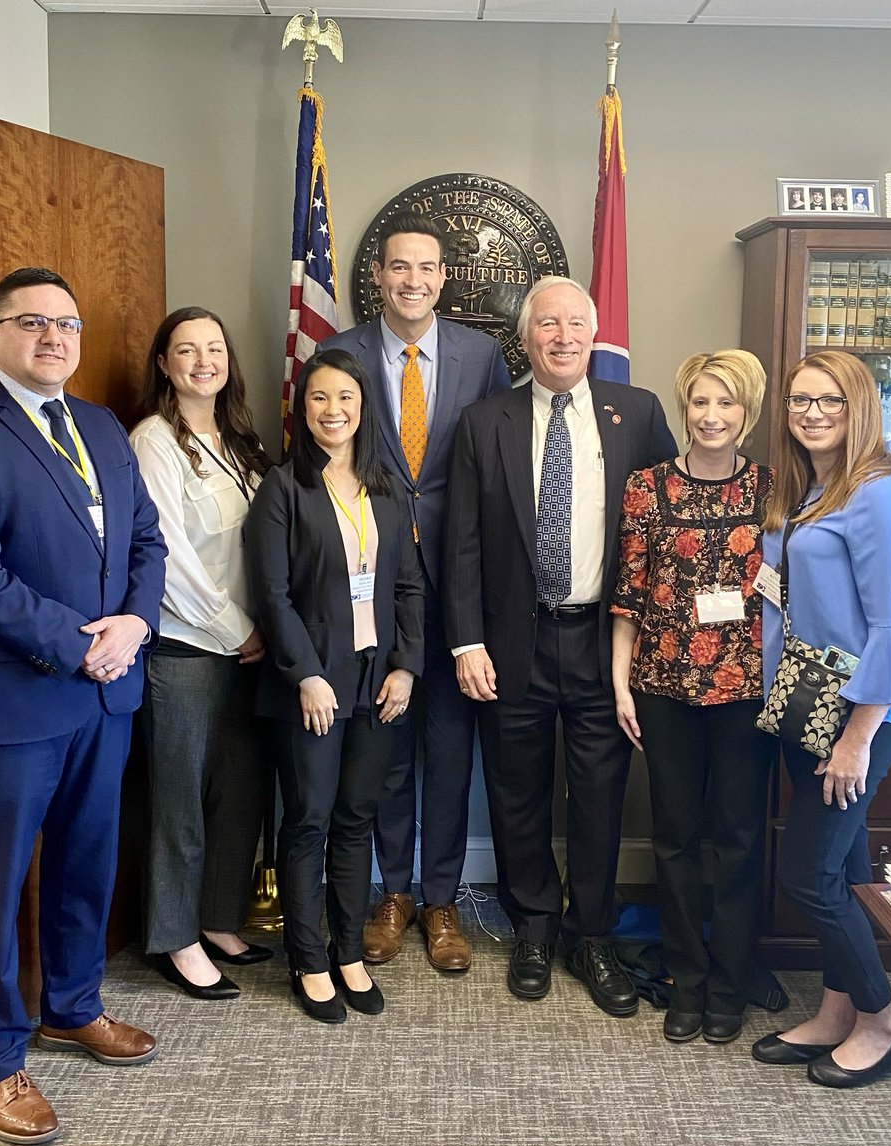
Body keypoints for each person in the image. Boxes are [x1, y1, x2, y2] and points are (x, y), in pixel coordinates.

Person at [0, 267, 167, 1145]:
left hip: (106, 696)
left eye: (67, 323)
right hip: (9, 702)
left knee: (88, 864)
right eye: (31, 323)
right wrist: (82, 642)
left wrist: (133, 621)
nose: (53, 338)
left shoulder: (100, 427)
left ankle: (73, 1006)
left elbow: (145, 540)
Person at [444, 276, 677, 1014]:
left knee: (601, 796)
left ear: (594, 332)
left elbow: (671, 529)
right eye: (549, 324)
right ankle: (535, 929)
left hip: (604, 643)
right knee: (515, 794)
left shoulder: (637, 413)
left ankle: (593, 935)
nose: (564, 336)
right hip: (514, 640)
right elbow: (462, 546)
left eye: (577, 323)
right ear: (527, 336)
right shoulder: (487, 422)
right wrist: (465, 643)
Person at [320, 212, 510, 973]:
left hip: (462, 586)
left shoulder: (482, 353)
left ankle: (441, 900)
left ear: (443, 278)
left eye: (426, 268)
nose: (412, 280)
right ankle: (391, 894)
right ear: (379, 276)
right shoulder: (342, 353)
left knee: (449, 747)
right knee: (388, 746)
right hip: (375, 583)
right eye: (398, 267)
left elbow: (495, 464)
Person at [751, 350, 891, 1088]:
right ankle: (837, 1012)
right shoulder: (813, 487)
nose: (812, 412)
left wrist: (857, 739)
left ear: (861, 407)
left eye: (829, 400)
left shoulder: (878, 494)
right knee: (848, 870)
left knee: (813, 876)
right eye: (799, 401)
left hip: (865, 713)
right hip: (810, 702)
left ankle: (884, 1024)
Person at [245, 348, 424, 1023]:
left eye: (345, 398)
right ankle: (308, 960)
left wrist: (408, 665)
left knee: (356, 819)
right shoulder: (282, 489)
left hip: (379, 682)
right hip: (312, 685)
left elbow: (408, 585)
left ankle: (348, 951)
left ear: (362, 406)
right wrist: (307, 676)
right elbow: (272, 595)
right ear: (303, 407)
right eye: (319, 398)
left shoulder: (385, 487)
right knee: (310, 822)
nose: (333, 411)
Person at [611, 349, 776, 1046]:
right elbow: (628, 593)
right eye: (700, 403)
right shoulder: (646, 488)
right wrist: (619, 683)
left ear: (748, 413)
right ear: (684, 408)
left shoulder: (774, 490)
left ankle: (730, 985)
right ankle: (686, 979)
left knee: (737, 842)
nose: (711, 417)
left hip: (747, 692)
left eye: (726, 404)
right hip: (662, 688)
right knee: (675, 840)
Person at [130, 307, 275, 1001]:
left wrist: (265, 629)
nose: (201, 361)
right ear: (164, 363)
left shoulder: (242, 441)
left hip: (249, 648)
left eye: (213, 348)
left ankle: (218, 919)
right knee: (179, 800)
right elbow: (168, 555)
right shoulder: (155, 440)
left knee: (239, 792)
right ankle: (175, 938)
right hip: (188, 647)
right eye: (185, 350)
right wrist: (235, 626)